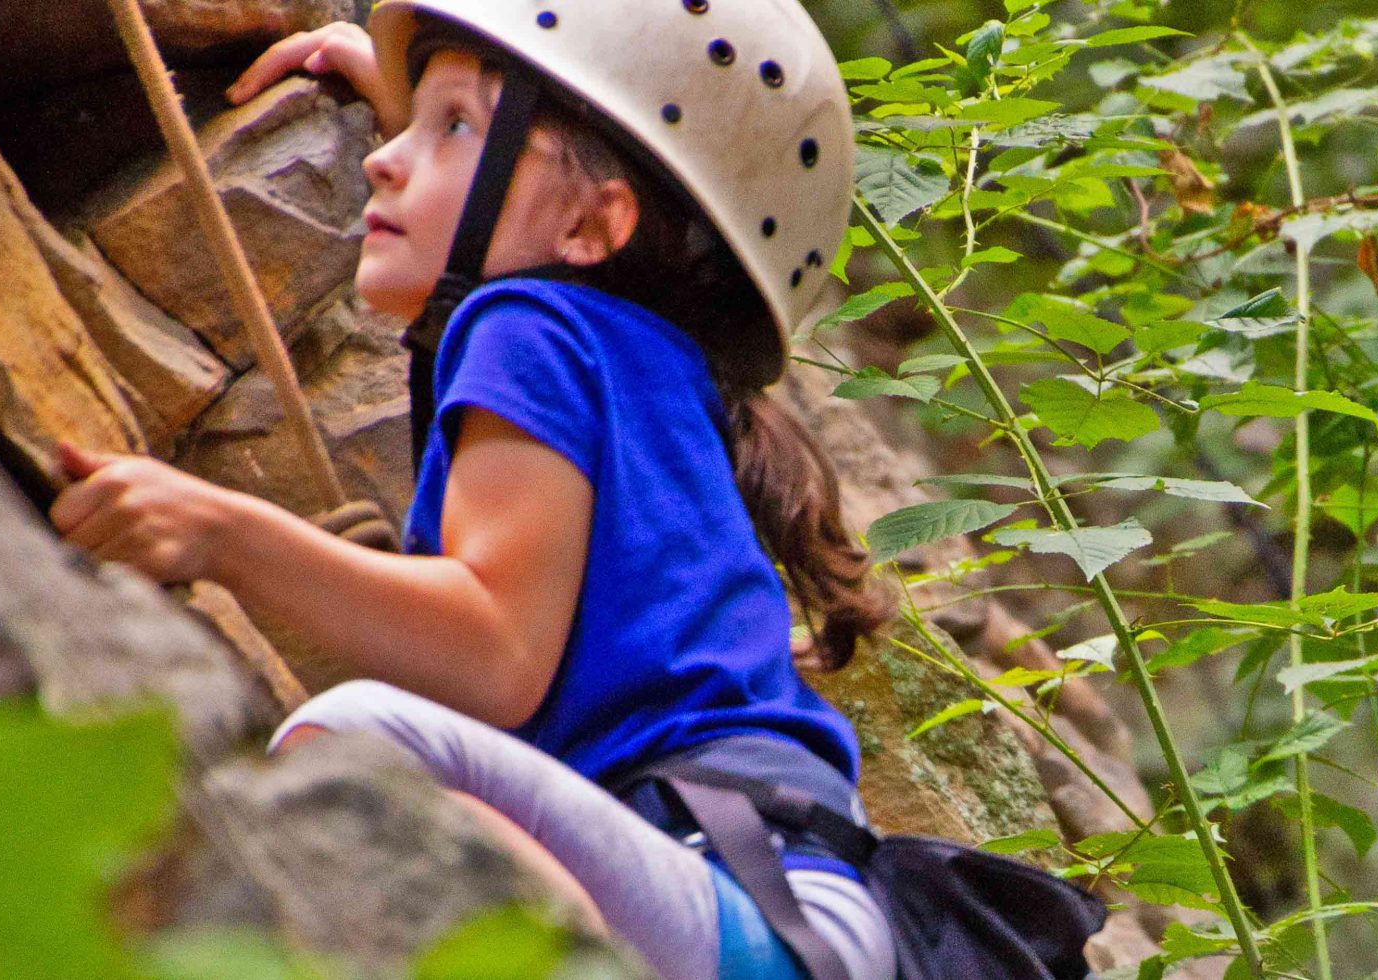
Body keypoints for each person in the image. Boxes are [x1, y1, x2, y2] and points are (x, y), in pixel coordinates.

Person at [50, 2, 897, 976]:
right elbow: (531, 180)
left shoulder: (528, 322)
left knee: (357, 742)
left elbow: (496, 652)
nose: (383, 158)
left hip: (729, 896)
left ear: (594, 222)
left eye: (449, 129)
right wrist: (431, 107)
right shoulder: (643, 359)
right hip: (788, 908)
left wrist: (223, 532)